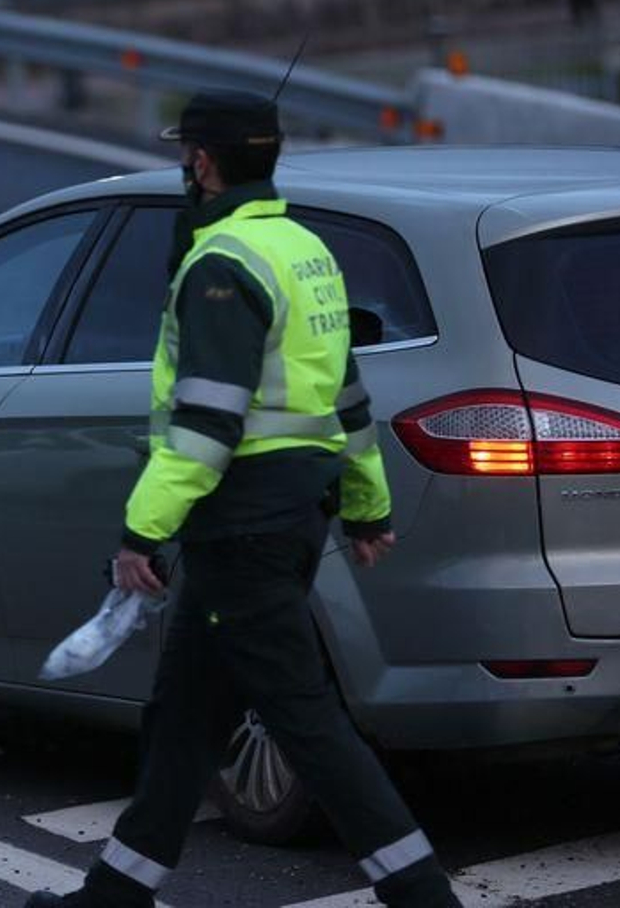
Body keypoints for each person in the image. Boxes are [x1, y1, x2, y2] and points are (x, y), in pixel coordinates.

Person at [27, 91, 460, 908]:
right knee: (183, 716)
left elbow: (206, 423)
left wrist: (140, 533)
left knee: (307, 722)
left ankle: (426, 897)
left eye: (186, 158)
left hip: (243, 525)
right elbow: (348, 399)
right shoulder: (306, 251)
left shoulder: (222, 264)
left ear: (202, 162)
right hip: (288, 515)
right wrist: (369, 507)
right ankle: (111, 898)